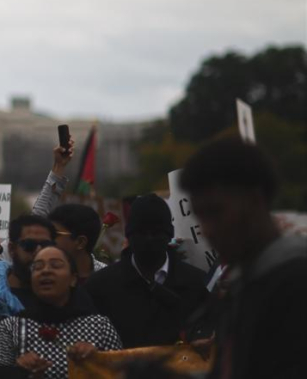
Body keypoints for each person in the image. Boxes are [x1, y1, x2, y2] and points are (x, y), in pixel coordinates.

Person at [181, 138, 307, 379]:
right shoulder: (244, 283)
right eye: (200, 216)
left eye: (215, 212)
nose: (207, 230)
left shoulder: (295, 283)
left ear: (255, 200)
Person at [84, 194, 208, 348]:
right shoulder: (100, 287)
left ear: (169, 235)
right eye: (141, 233)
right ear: (129, 235)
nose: (149, 239)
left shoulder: (196, 284)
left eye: (156, 233)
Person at [0, 247, 122, 377]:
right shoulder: (10, 328)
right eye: (38, 267)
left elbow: (121, 373)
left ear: (73, 279)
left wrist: (97, 361)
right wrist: (18, 373)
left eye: (56, 265)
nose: (45, 271)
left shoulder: (100, 326)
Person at [0, 215, 57, 351]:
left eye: (46, 246)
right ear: (12, 249)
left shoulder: (63, 293)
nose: (39, 253)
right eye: (29, 246)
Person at [48, 204, 107, 283]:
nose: (48, 240)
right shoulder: (43, 276)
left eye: (54, 234)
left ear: (80, 242)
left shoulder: (109, 279)